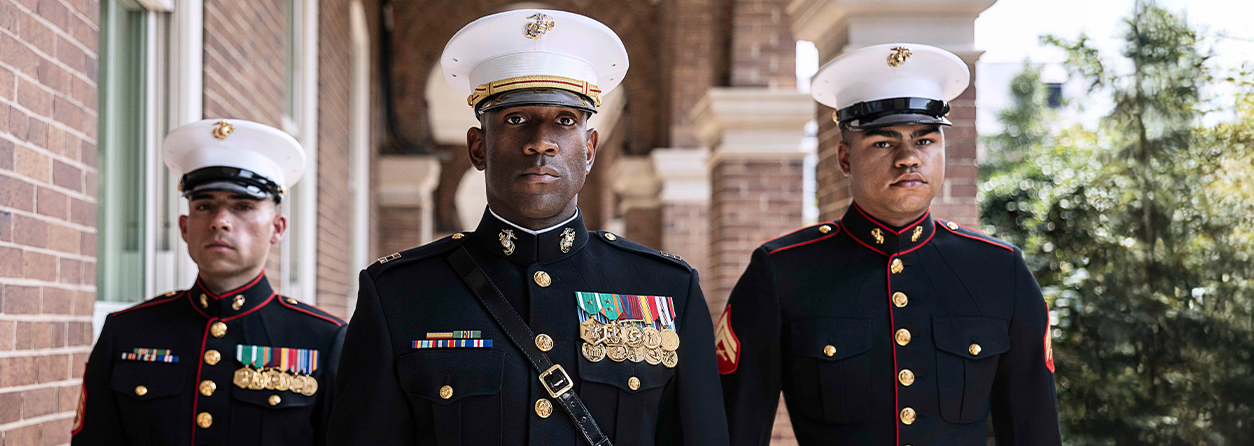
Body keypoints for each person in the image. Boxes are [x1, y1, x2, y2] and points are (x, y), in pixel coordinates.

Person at [325, 9, 729, 446]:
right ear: (479, 147)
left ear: (589, 149)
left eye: (566, 120)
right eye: (516, 120)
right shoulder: (398, 294)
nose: (542, 140)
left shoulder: (667, 288)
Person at [716, 43, 1062, 445]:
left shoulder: (1000, 271)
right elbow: (734, 429)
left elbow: (1035, 431)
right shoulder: (781, 273)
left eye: (926, 141)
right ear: (845, 159)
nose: (908, 158)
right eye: (883, 143)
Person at [71, 119, 347, 446]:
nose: (219, 221)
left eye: (243, 206)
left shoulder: (324, 340)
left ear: (277, 228)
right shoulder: (127, 331)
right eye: (204, 206)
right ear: (185, 227)